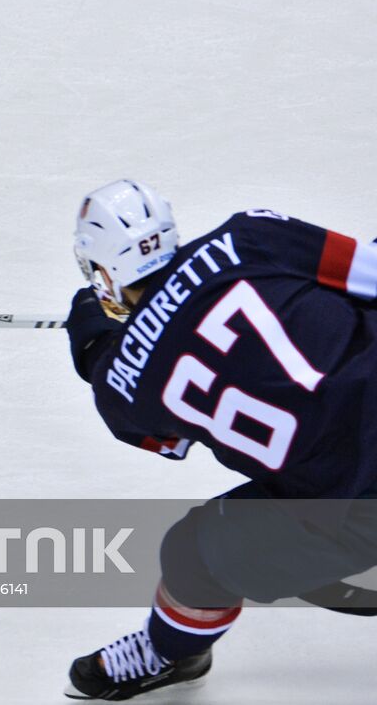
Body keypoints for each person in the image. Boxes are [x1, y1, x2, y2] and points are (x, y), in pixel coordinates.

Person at [62, 179, 377, 700]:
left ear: (102, 274)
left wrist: (95, 347)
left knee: (192, 554)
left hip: (353, 506)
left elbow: (171, 442)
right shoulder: (251, 236)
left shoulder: (121, 384)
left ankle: (167, 652)